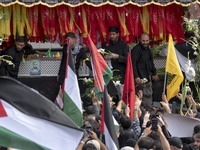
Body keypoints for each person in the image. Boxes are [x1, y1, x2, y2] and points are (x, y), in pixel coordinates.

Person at [131, 33, 160, 109]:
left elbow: (151, 63)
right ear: (140, 40)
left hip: (147, 78)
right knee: (140, 98)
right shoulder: (136, 50)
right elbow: (132, 64)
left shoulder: (148, 50)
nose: (145, 42)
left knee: (148, 96)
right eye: (143, 41)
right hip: (139, 79)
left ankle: (148, 114)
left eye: (147, 41)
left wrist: (154, 73)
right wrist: (136, 77)